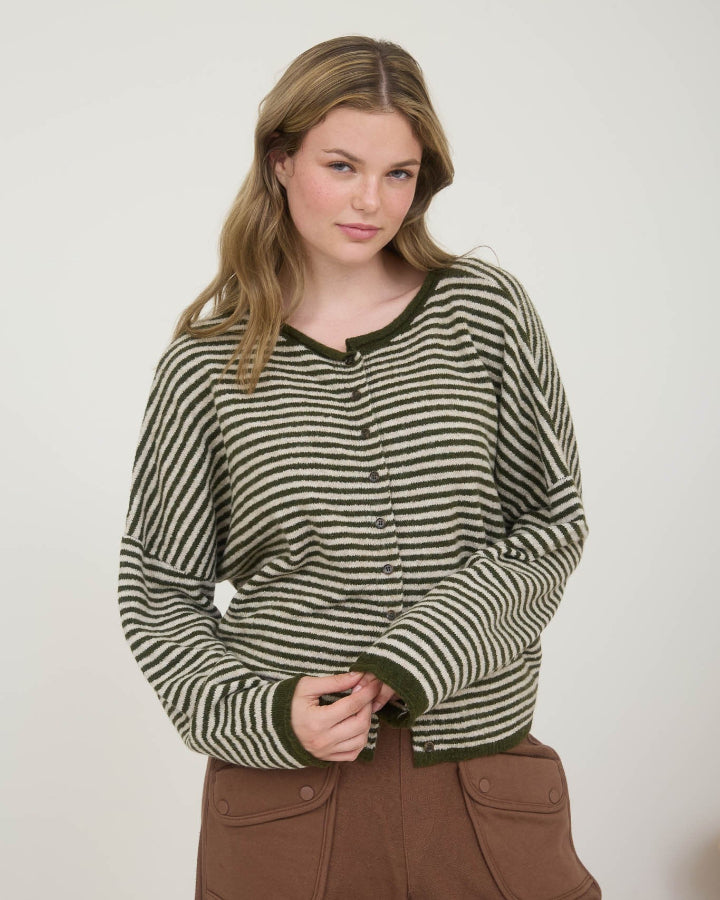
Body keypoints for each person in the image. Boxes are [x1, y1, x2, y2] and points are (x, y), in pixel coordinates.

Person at [118, 34, 601, 900]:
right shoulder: (208, 367)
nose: (371, 201)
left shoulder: (483, 312)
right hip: (287, 803)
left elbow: (551, 525)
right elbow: (160, 593)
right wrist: (268, 716)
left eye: (398, 173)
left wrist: (421, 651)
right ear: (281, 161)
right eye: (341, 166)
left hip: (481, 786)